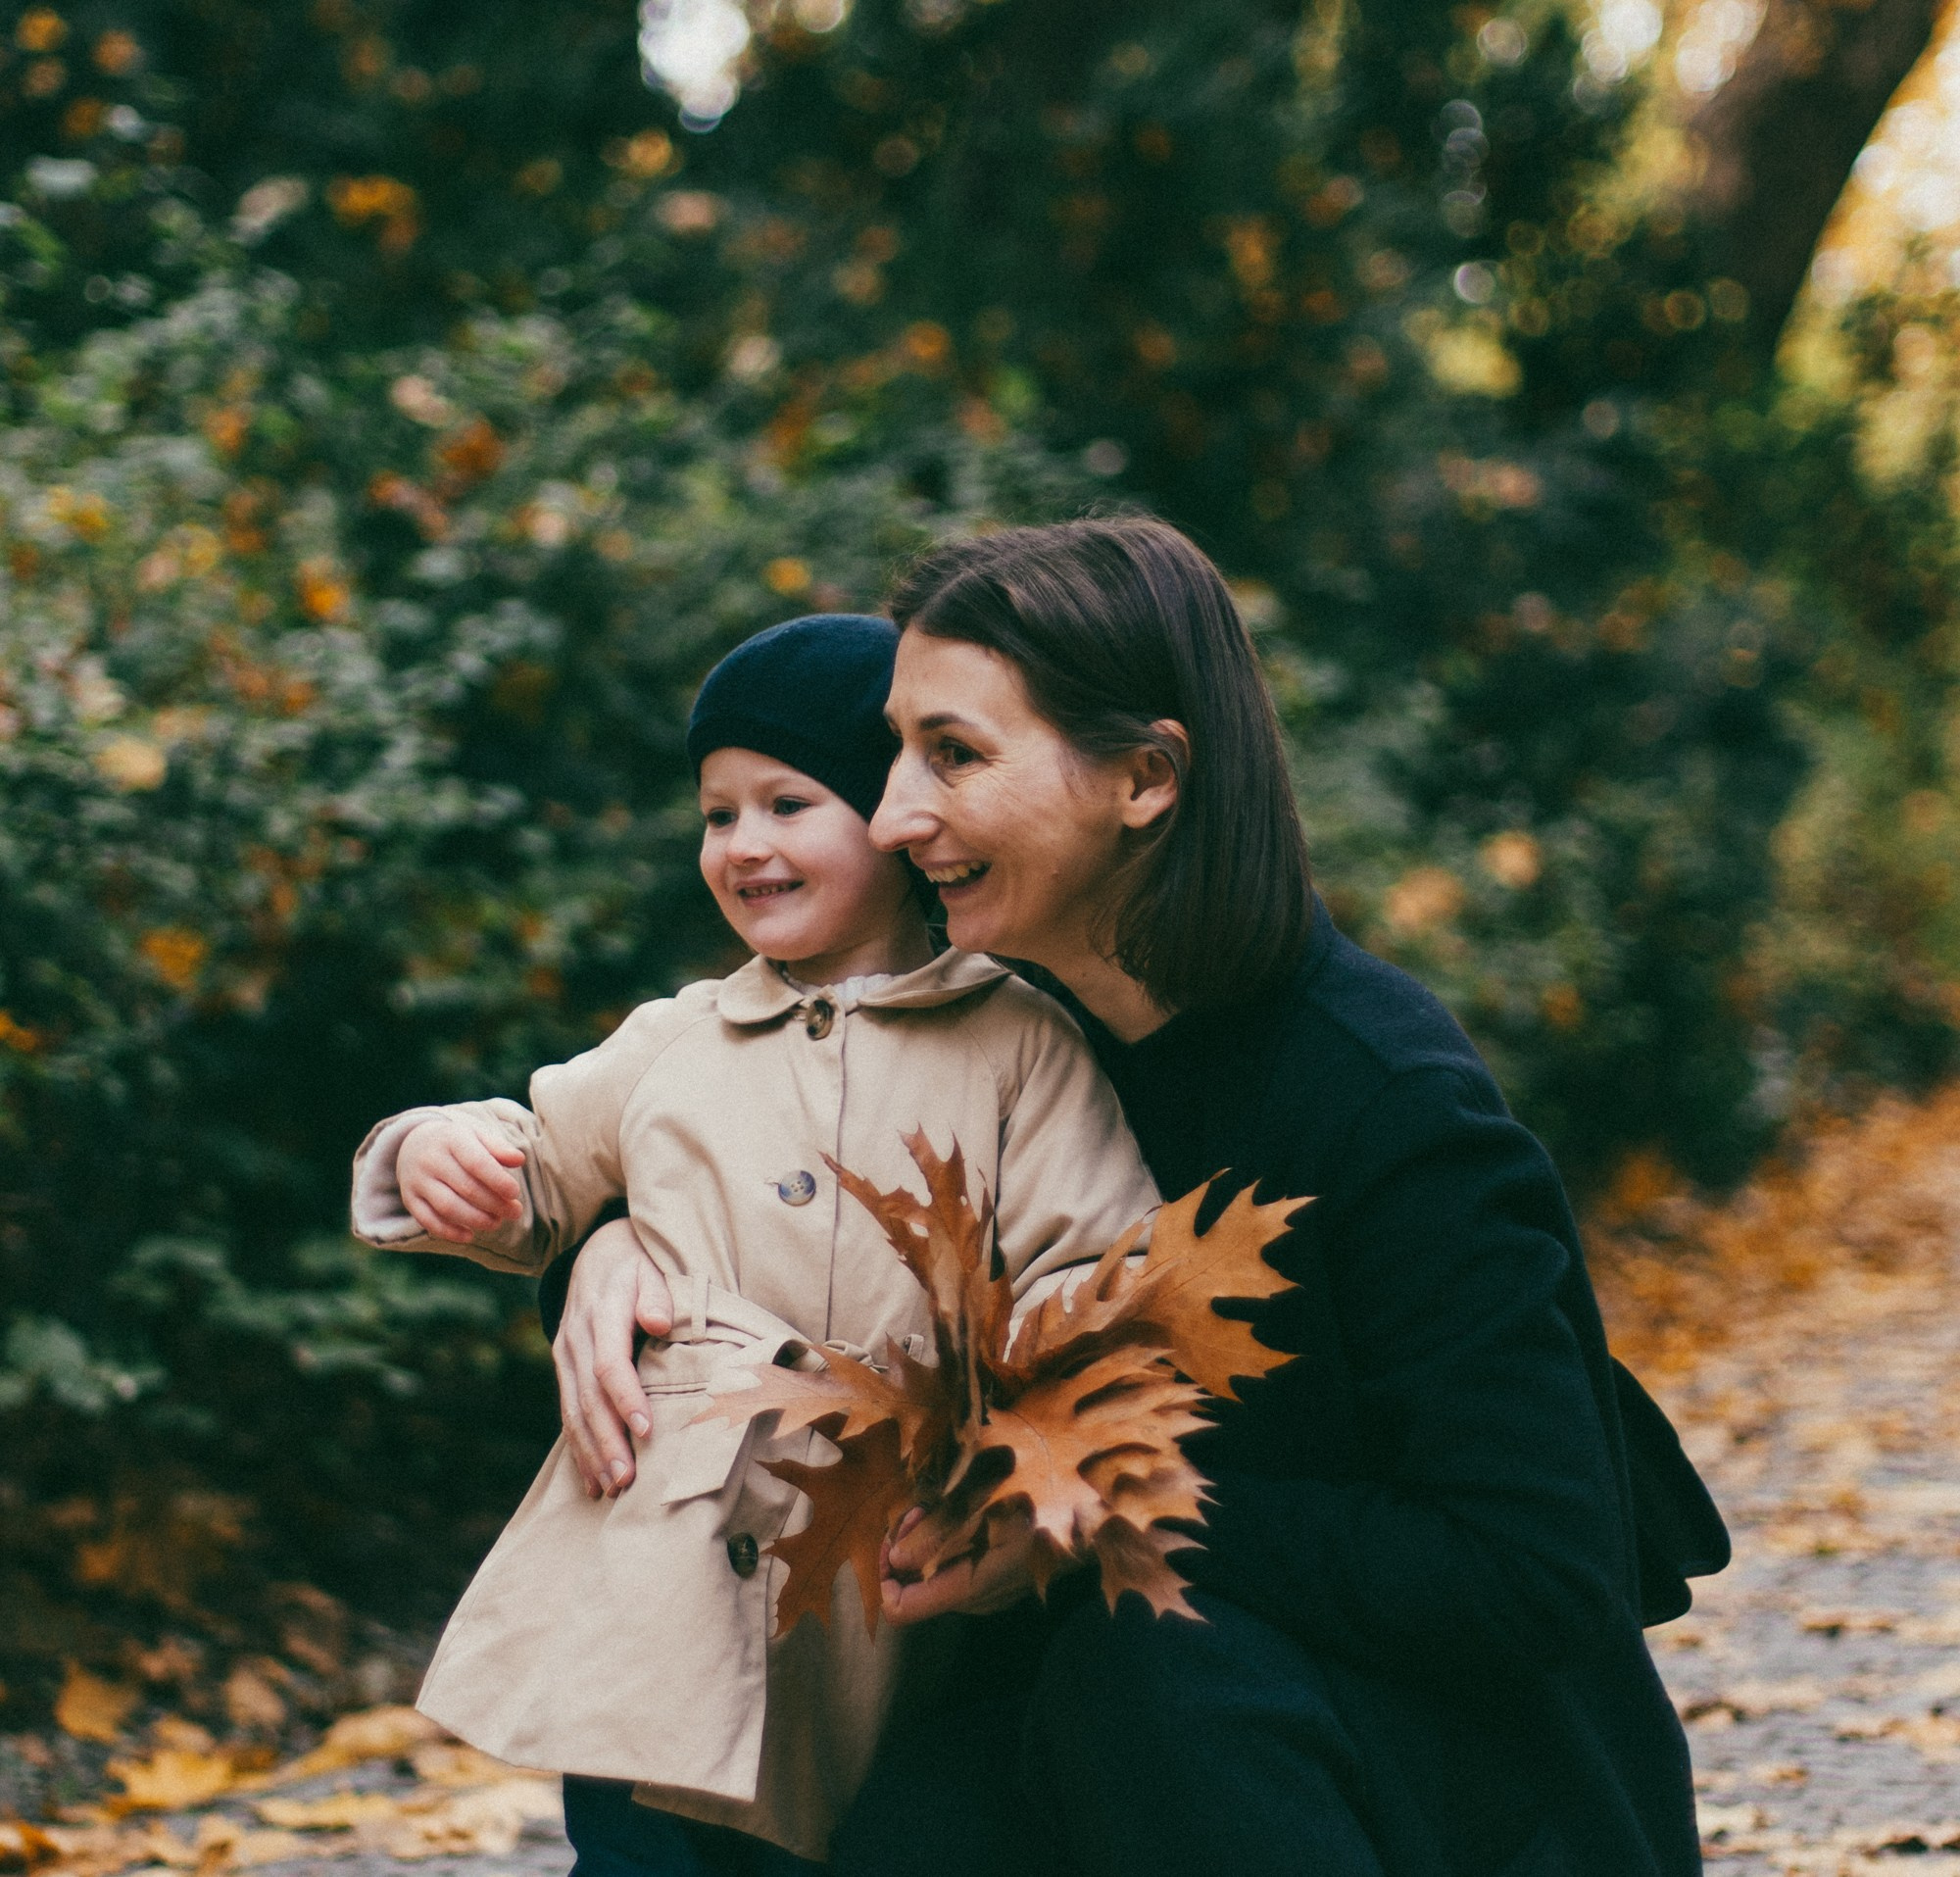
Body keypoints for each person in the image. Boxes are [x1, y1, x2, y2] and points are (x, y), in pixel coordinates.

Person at [554, 519, 1727, 1876]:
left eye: (954, 756)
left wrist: (1092, 1505)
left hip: (1458, 1790)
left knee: (1150, 1674)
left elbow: (1535, 1570)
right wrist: (608, 1243)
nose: (894, 816)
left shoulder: (1382, 1102)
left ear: (1145, 778)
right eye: (894, 756)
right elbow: (742, 1141)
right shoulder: (994, 1041)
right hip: (1140, 1745)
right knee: (889, 1812)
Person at [348, 613, 1159, 1875]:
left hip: (877, 1580)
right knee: (633, 1847)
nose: (744, 846)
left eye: (788, 803)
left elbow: (1096, 1274)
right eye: (718, 814)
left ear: (892, 820)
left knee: (849, 1835)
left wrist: (1022, 1441)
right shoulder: (678, 1036)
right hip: (655, 1562)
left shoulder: (1015, 1043)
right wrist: (435, 1152)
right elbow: (540, 1165)